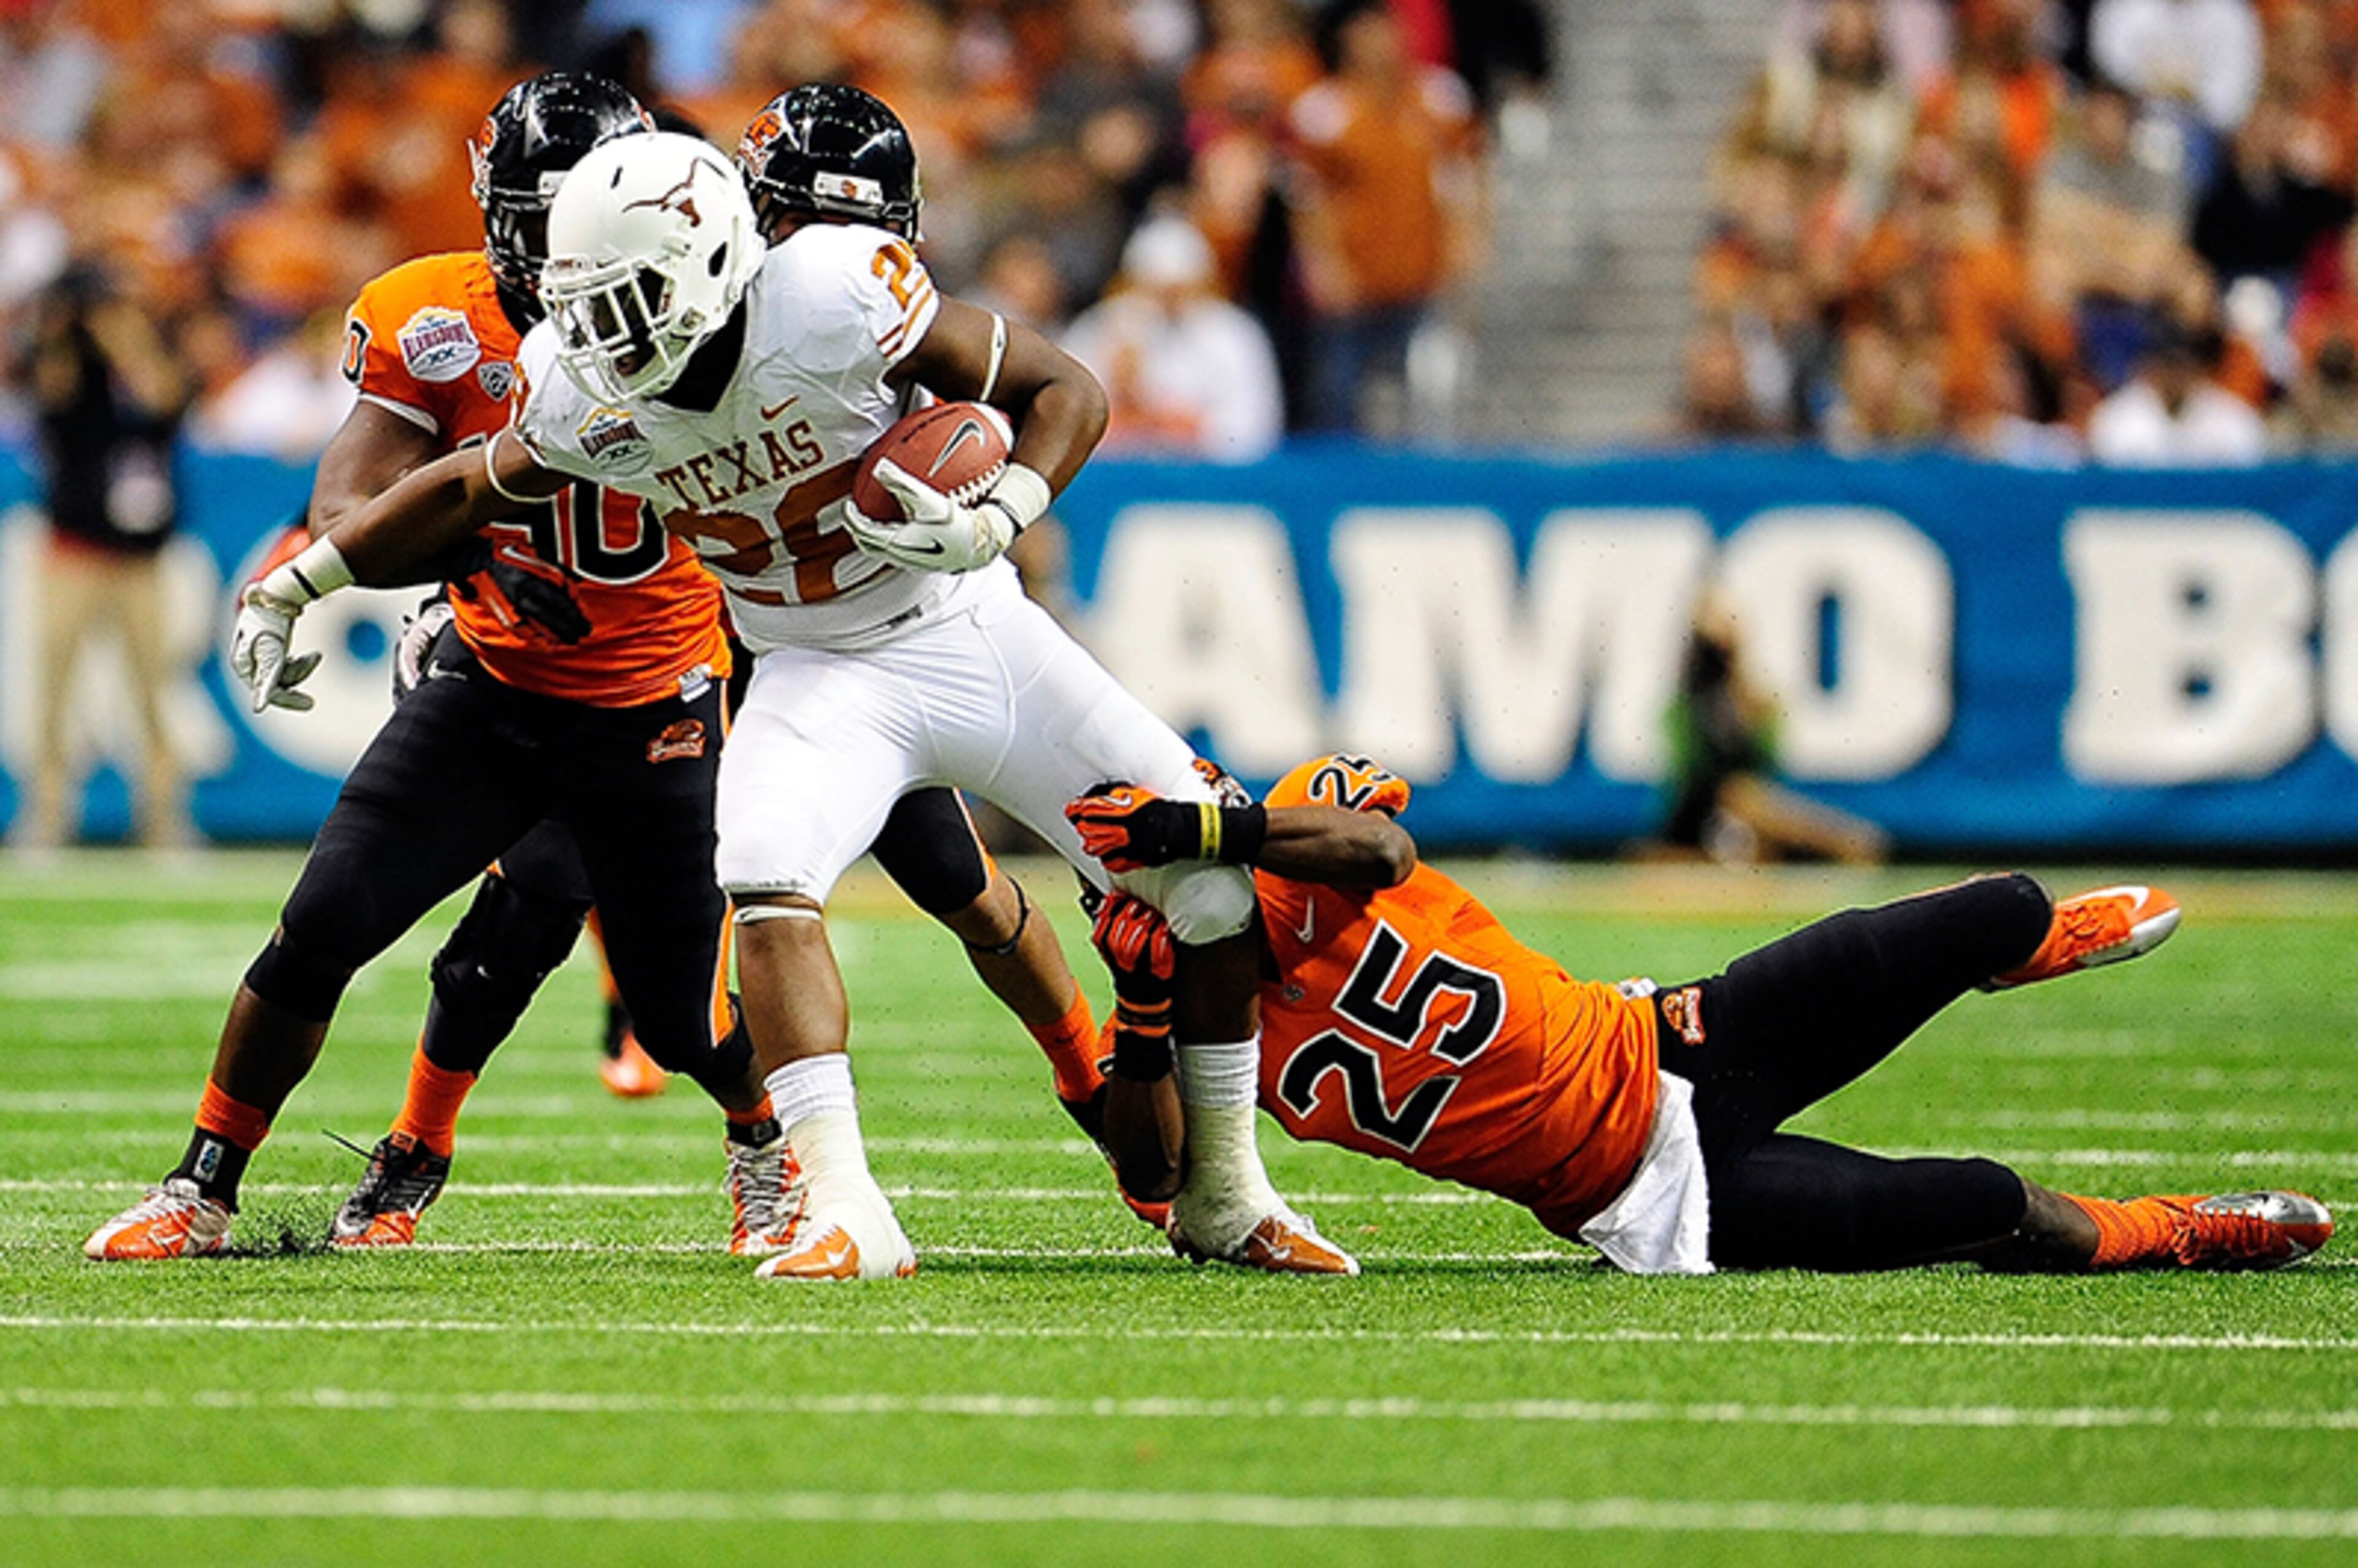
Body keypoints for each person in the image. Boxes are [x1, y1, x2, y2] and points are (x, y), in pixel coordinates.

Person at [219, 125, 1343, 1282]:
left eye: (629, 299)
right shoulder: (576, 381)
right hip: (808, 664)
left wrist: (1004, 506)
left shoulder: (836, 294)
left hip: (971, 629)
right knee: (765, 866)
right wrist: (301, 579)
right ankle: (846, 1205)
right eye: (585, 306)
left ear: (711, 261)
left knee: (1206, 882)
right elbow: (463, 485)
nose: (604, 336)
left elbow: (1065, 384)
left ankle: (1229, 1195)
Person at [1065, 757, 2334, 1275]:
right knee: (1987, 1201)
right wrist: (1140, 1000)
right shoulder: (1197, 1031)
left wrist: (1207, 831)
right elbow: (1163, 1175)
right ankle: (2171, 1228)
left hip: (1669, 1034)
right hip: (1652, 1194)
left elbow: (1382, 846)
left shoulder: (1289, 832)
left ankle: (2011, 953)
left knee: (1992, 904)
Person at [17, 261, 195, 851]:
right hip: (72, 551)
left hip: (139, 558)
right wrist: (60, 331)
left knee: (153, 689)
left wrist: (125, 335)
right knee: (54, 689)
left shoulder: (146, 351)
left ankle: (163, 819)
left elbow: (164, 395)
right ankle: (46, 817)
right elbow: (52, 396)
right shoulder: (62, 357)